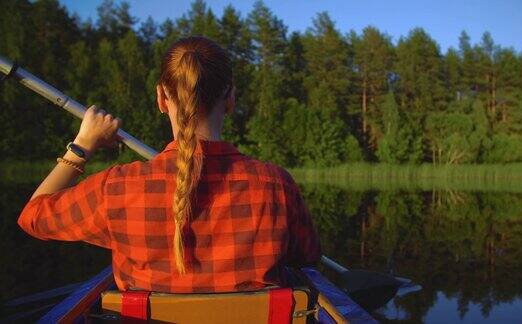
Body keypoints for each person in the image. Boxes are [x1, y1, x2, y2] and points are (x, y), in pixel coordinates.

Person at [18, 36, 321, 293]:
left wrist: (81, 146)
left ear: (162, 98)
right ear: (230, 98)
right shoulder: (276, 185)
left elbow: (33, 217)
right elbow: (306, 256)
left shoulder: (118, 188)